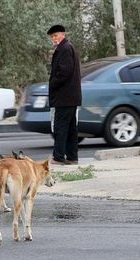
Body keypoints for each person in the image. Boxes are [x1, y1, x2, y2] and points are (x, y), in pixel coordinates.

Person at [47, 24, 82, 165]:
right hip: (70, 97)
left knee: (60, 127)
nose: (54, 39)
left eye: (55, 35)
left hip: (64, 97)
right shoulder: (67, 47)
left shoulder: (65, 49)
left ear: (63, 35)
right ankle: (72, 157)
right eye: (52, 37)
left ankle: (59, 156)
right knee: (71, 129)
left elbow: (64, 72)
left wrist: (52, 83)